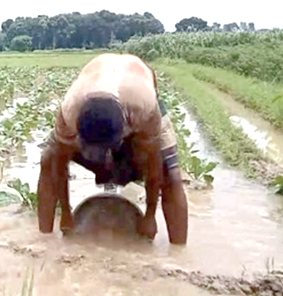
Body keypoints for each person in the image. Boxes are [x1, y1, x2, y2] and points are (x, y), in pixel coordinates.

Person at [36, 53, 188, 244]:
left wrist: (150, 215)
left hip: (136, 96)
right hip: (94, 91)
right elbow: (59, 164)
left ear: (125, 129)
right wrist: (66, 214)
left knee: (171, 174)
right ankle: (43, 241)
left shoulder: (143, 107)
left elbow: (153, 163)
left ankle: (179, 253)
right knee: (48, 159)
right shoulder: (70, 111)